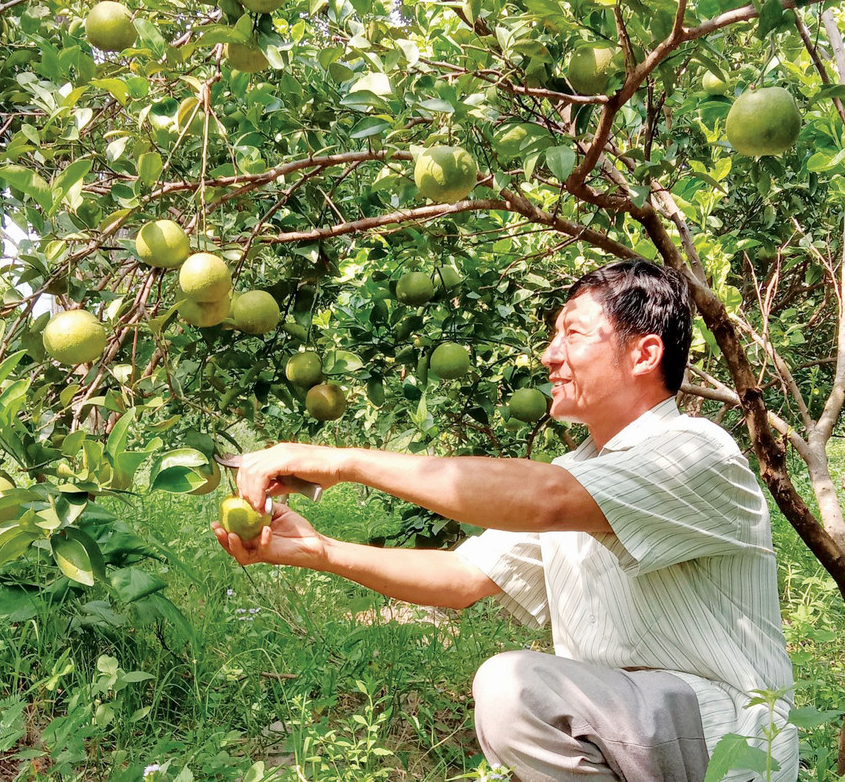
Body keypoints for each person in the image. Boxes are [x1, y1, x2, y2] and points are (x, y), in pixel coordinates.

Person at [212, 259, 798, 782]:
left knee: (514, 687)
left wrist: (340, 461)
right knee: (519, 691)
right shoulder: (580, 473)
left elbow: (544, 497)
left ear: (645, 354)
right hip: (631, 734)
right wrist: (320, 551)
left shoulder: (694, 450)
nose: (549, 355)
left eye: (572, 333)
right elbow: (464, 579)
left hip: (726, 740)